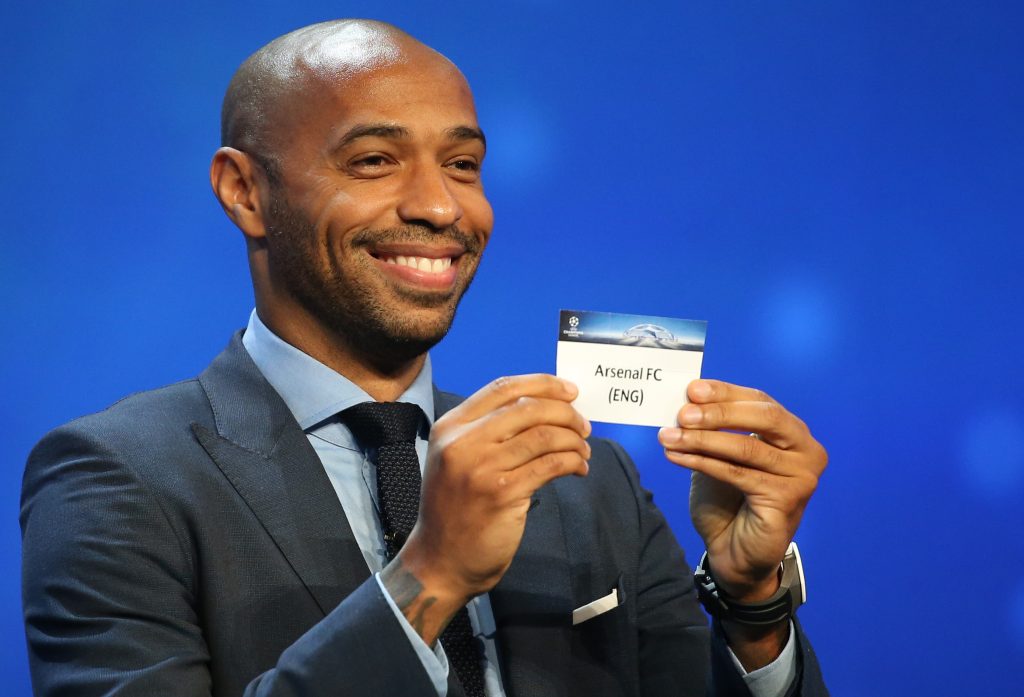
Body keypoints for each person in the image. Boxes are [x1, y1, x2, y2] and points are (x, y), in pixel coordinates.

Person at [20, 19, 829, 697]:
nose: (440, 206)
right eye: (374, 160)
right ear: (245, 191)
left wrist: (752, 603)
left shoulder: (592, 484)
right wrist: (427, 575)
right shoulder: (114, 476)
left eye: (463, 164)